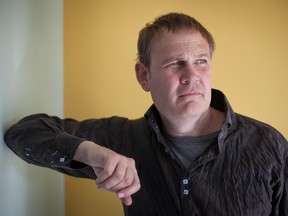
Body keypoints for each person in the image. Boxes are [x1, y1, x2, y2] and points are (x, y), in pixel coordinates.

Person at [4, 12, 288, 216]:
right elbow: (23, 133)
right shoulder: (121, 139)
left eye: (201, 61)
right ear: (144, 76)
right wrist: (91, 154)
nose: (192, 76)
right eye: (175, 63)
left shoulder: (268, 144)